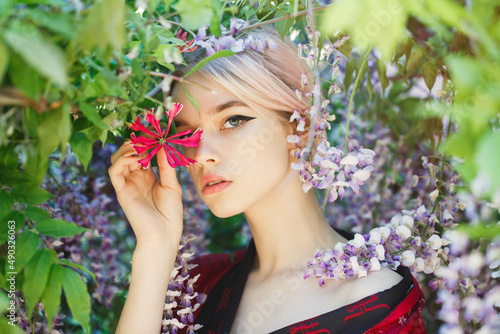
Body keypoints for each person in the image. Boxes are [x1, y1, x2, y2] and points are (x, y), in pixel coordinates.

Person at [109, 28, 427, 334]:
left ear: (300, 127)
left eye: (233, 120)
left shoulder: (372, 300)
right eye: (185, 133)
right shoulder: (196, 285)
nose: (202, 154)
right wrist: (155, 246)